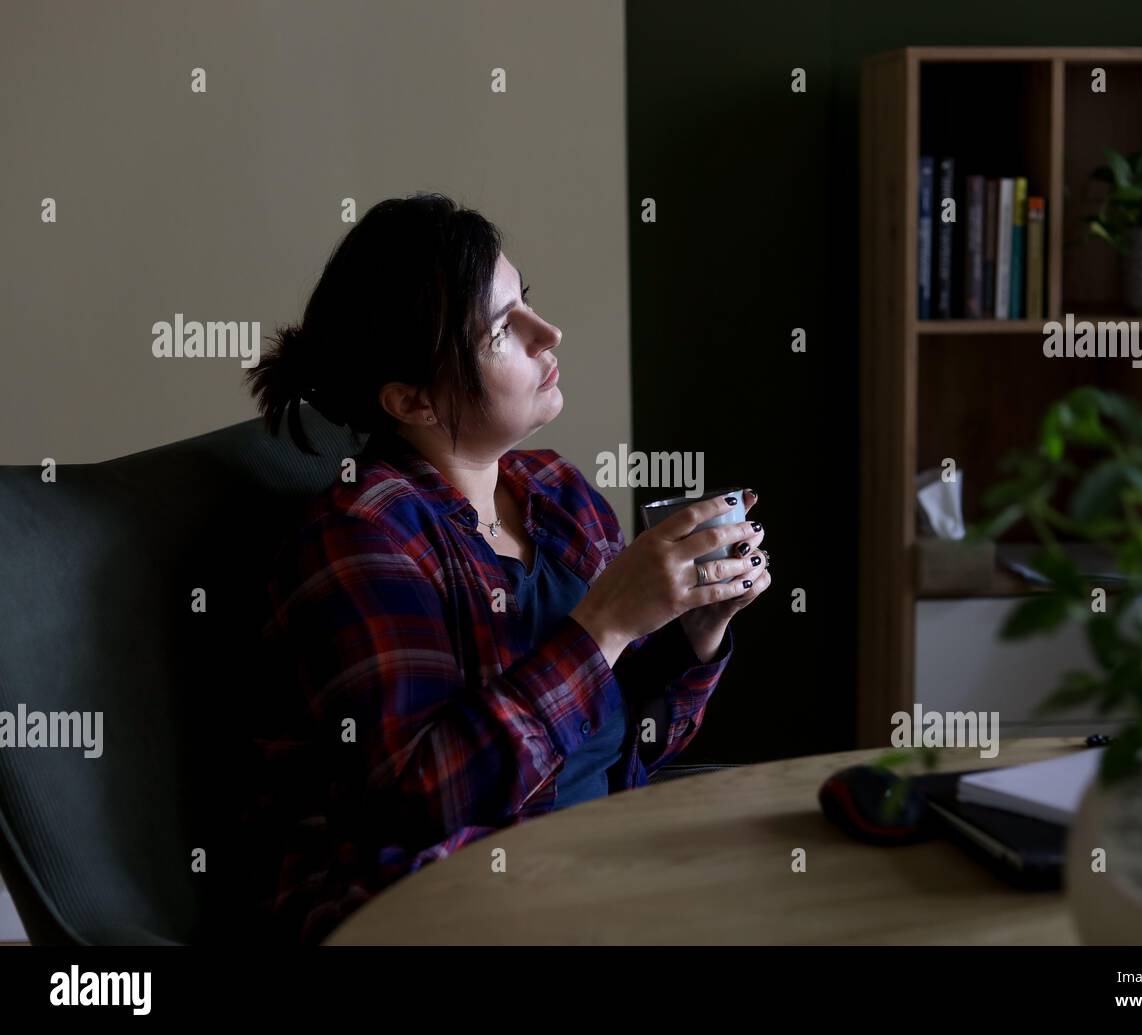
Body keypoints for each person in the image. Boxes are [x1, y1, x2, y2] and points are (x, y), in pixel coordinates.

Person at [240, 193, 772, 943]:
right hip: (425, 910)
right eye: (501, 329)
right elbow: (421, 797)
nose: (546, 332)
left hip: (587, 871)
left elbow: (634, 743)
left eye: (526, 301)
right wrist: (606, 622)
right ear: (412, 400)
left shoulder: (556, 495)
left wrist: (696, 630)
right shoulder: (360, 541)